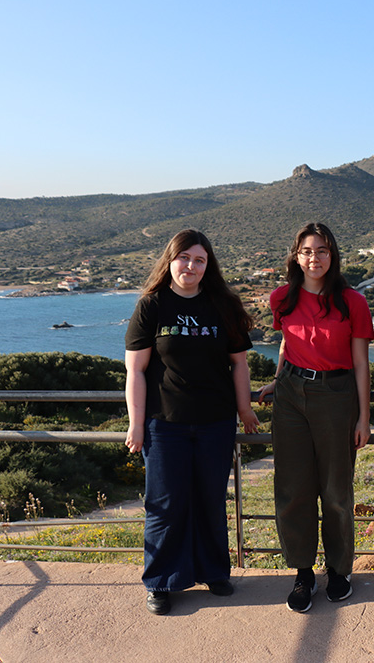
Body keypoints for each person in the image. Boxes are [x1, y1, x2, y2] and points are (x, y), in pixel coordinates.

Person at [124, 229, 259, 616]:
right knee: (165, 505)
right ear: (170, 260)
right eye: (184, 257)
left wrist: (245, 410)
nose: (191, 266)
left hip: (216, 423)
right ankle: (160, 581)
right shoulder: (152, 306)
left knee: (210, 500)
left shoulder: (223, 305)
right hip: (164, 424)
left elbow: (239, 364)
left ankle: (214, 572)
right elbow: (136, 370)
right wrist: (136, 424)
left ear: (207, 265)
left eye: (199, 260)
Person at [257, 223, 374, 613]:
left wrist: (363, 418)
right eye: (307, 251)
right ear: (296, 256)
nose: (314, 258)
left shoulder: (352, 302)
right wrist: (278, 381)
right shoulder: (282, 298)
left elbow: (361, 363)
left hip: (336, 395)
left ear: (332, 255)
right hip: (290, 394)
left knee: (336, 491)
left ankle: (339, 570)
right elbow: (286, 343)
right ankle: (303, 573)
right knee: (293, 489)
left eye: (322, 250)